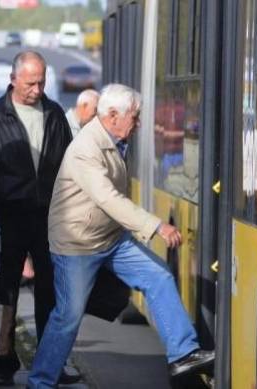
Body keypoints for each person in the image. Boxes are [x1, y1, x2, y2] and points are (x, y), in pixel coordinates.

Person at [28, 84, 214, 388]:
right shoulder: (85, 150)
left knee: (159, 276)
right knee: (68, 317)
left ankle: (182, 355)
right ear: (113, 115)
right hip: (77, 243)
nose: (139, 123)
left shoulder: (114, 137)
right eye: (135, 116)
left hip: (110, 237)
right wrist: (157, 226)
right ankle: (39, 383)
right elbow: (109, 199)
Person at [0, 50, 75, 386]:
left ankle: (50, 364)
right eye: (31, 82)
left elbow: (69, 166)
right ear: (13, 79)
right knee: (2, 295)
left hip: (48, 217)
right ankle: (1, 364)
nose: (37, 89)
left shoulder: (55, 114)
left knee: (52, 294)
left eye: (42, 82)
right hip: (6, 217)